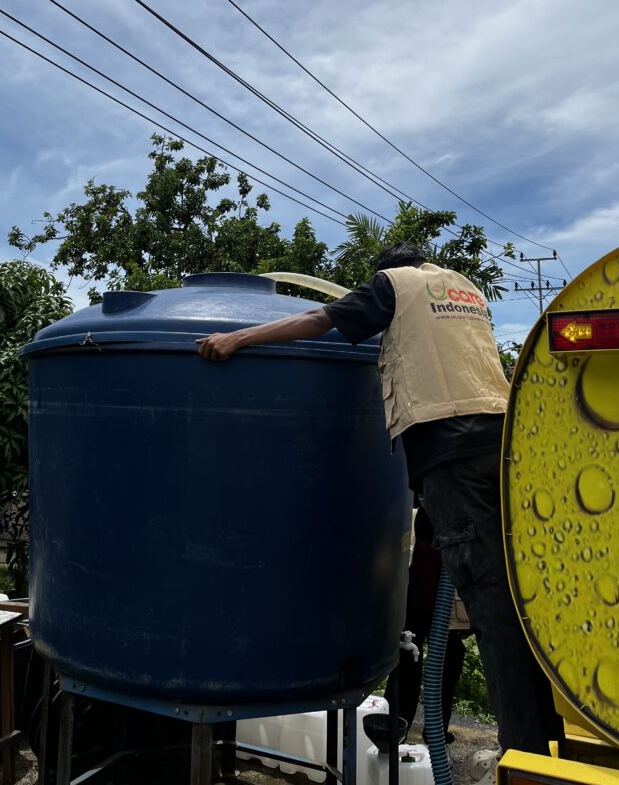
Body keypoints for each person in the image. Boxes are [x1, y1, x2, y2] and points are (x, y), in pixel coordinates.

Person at [197, 242, 563, 756]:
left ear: (387, 272)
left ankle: (522, 753)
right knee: (519, 598)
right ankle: (553, 741)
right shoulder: (465, 288)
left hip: (449, 451)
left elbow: (319, 318)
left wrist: (237, 338)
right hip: (503, 448)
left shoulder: (396, 285)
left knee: (488, 606)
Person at [399, 503, 469, 744]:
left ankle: (436, 732)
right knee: (406, 669)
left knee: (445, 675)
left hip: (448, 614)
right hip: (414, 608)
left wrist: (466, 619)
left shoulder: (461, 515)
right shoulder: (415, 517)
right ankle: (397, 728)